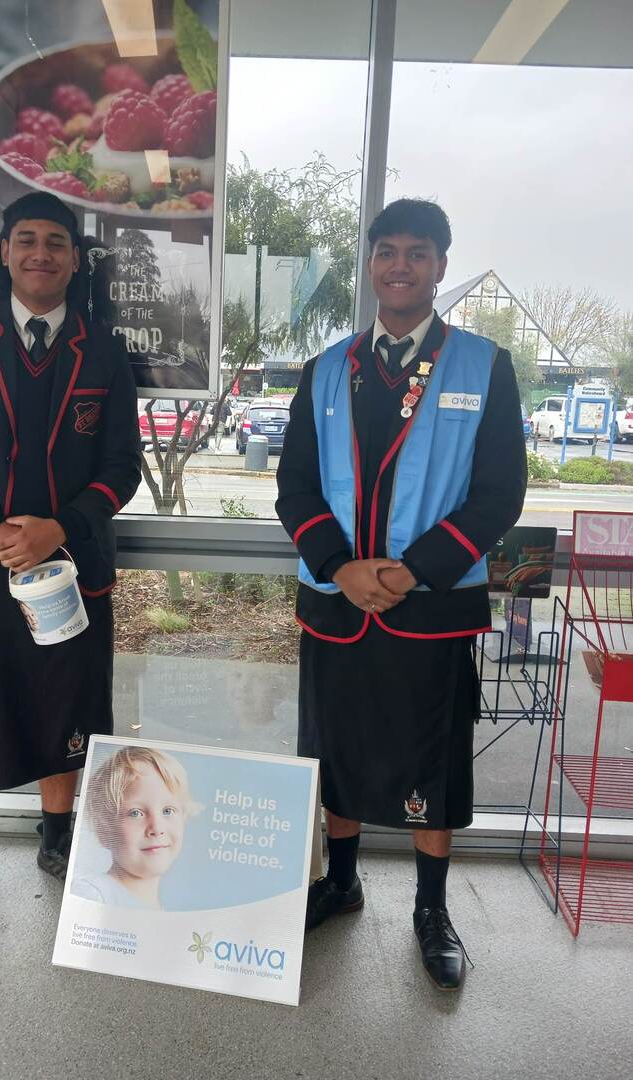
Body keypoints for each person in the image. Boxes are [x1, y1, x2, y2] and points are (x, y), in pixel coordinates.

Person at [276, 198, 527, 990]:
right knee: (335, 754)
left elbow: (499, 495)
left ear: (441, 266)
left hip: (431, 605)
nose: (401, 266)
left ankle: (430, 909)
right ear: (371, 265)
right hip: (337, 601)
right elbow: (294, 487)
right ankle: (342, 881)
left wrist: (412, 569)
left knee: (435, 759)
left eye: (418, 253)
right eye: (387, 252)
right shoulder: (327, 369)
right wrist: (342, 566)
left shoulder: (483, 366)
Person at [0, 191, 142, 935]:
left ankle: (57, 836)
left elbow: (121, 469)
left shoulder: (102, 349)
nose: (41, 254)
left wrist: (58, 531)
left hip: (70, 570)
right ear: (4, 252)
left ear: (76, 260)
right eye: (26, 240)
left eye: (56, 243)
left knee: (64, 708)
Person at [72, 747, 198, 910]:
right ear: (104, 831)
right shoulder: (94, 894)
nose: (157, 828)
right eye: (136, 813)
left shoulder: (161, 909)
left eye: (167, 811)